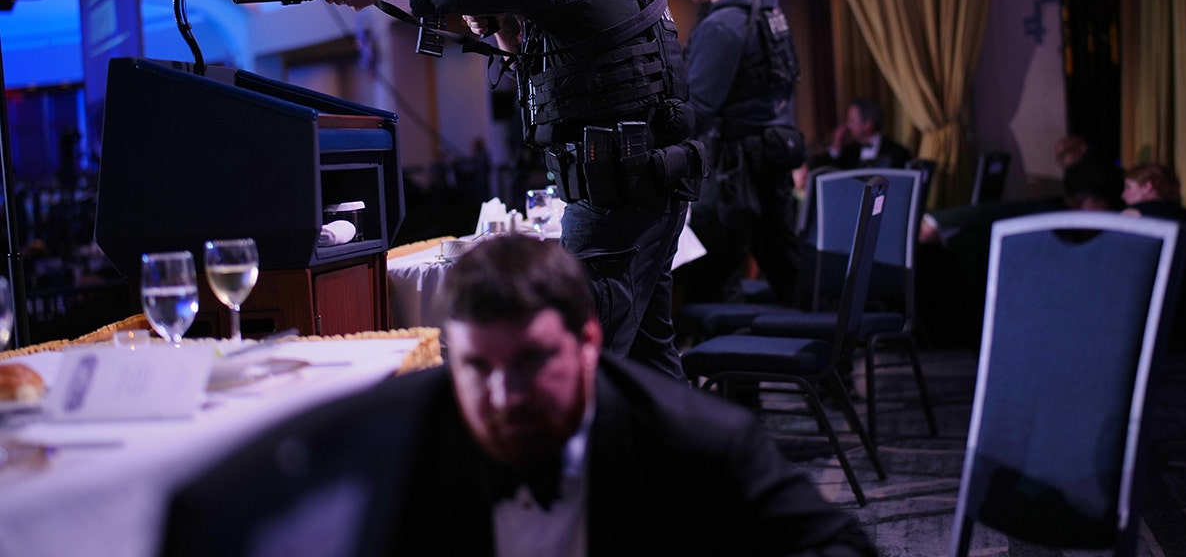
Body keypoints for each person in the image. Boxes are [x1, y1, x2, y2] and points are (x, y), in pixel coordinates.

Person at [163, 236, 877, 557]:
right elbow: (211, 513)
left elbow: (838, 543)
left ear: (589, 342)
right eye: (478, 367)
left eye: (533, 360)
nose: (503, 394)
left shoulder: (695, 440)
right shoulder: (398, 437)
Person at [325, 0, 703, 381]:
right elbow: (543, 72)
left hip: (617, 201)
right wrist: (503, 26)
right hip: (640, 189)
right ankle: (678, 433)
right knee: (648, 355)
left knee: (581, 363)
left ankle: (589, 438)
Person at [668, 0, 804, 305]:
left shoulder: (722, 25)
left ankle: (720, 344)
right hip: (769, 157)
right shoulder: (766, 8)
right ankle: (827, 338)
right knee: (785, 264)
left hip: (736, 171)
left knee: (707, 281)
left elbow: (699, 109)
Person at [1121, 162, 1186, 346]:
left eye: (1128, 187)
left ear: (1147, 186)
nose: (1123, 194)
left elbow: (1117, 264)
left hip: (1149, 305)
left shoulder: (1133, 214)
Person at [810, 99, 912, 170]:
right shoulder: (849, 152)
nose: (847, 125)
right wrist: (836, 146)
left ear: (867, 125)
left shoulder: (897, 153)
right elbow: (827, 172)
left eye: (852, 120)